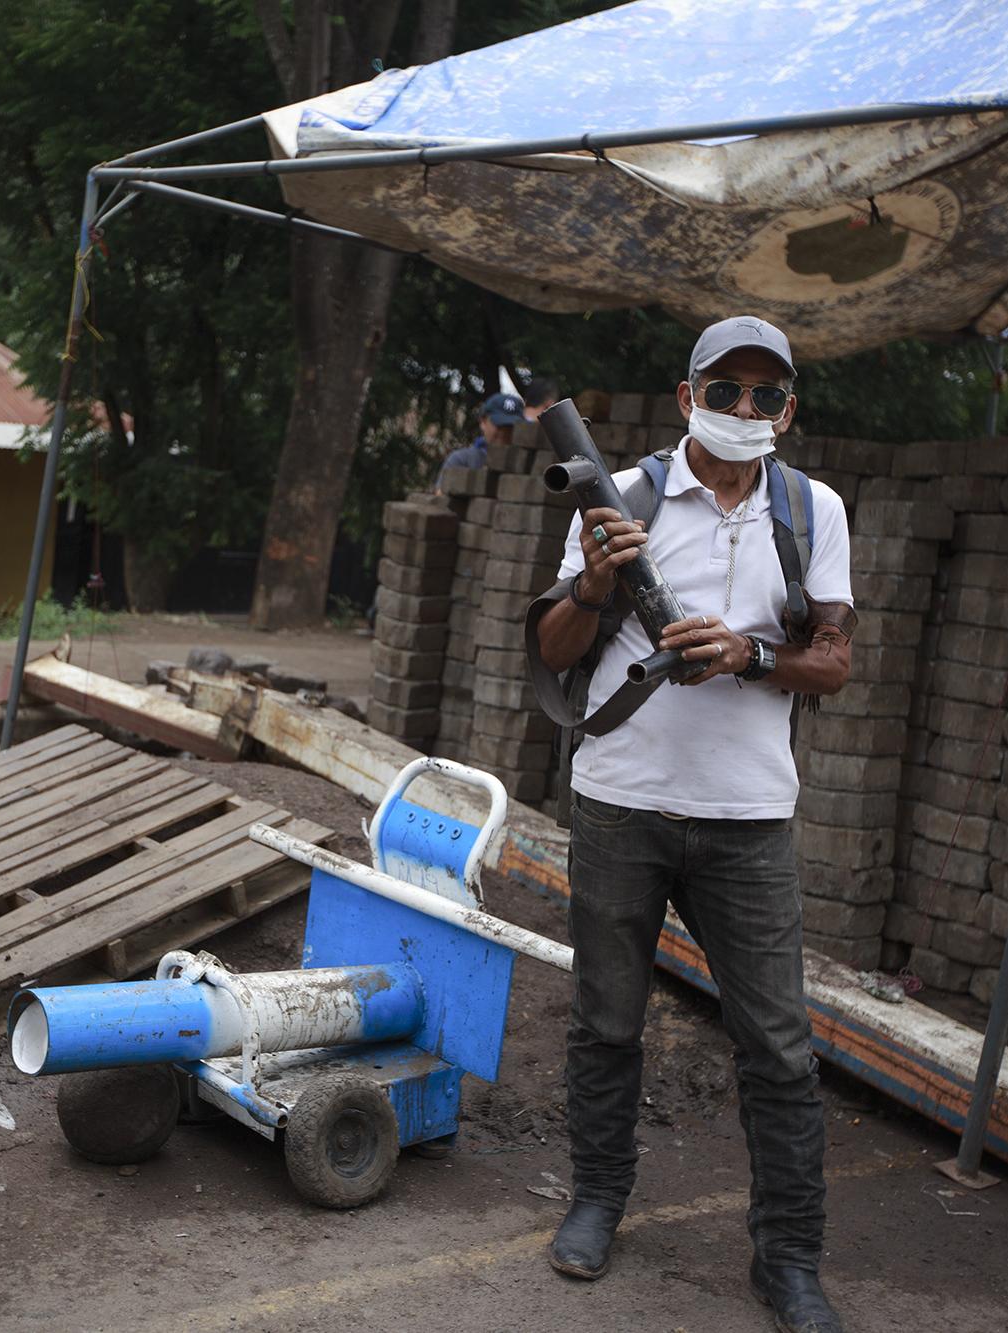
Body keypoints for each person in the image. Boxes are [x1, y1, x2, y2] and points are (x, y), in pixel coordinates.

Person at [534, 316, 856, 1333]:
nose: (744, 411)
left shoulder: (811, 510)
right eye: (725, 391)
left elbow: (835, 661)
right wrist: (592, 582)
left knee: (777, 1046)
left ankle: (790, 1260)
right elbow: (549, 646)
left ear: (787, 411)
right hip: (620, 800)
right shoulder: (618, 497)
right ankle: (595, 1202)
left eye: (766, 396)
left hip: (747, 817)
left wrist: (750, 656)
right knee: (604, 1020)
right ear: (686, 398)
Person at [435, 390, 524, 493]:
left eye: (510, 427)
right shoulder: (462, 459)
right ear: (483, 422)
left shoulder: (523, 462)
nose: (504, 432)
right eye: (499, 426)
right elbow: (440, 496)